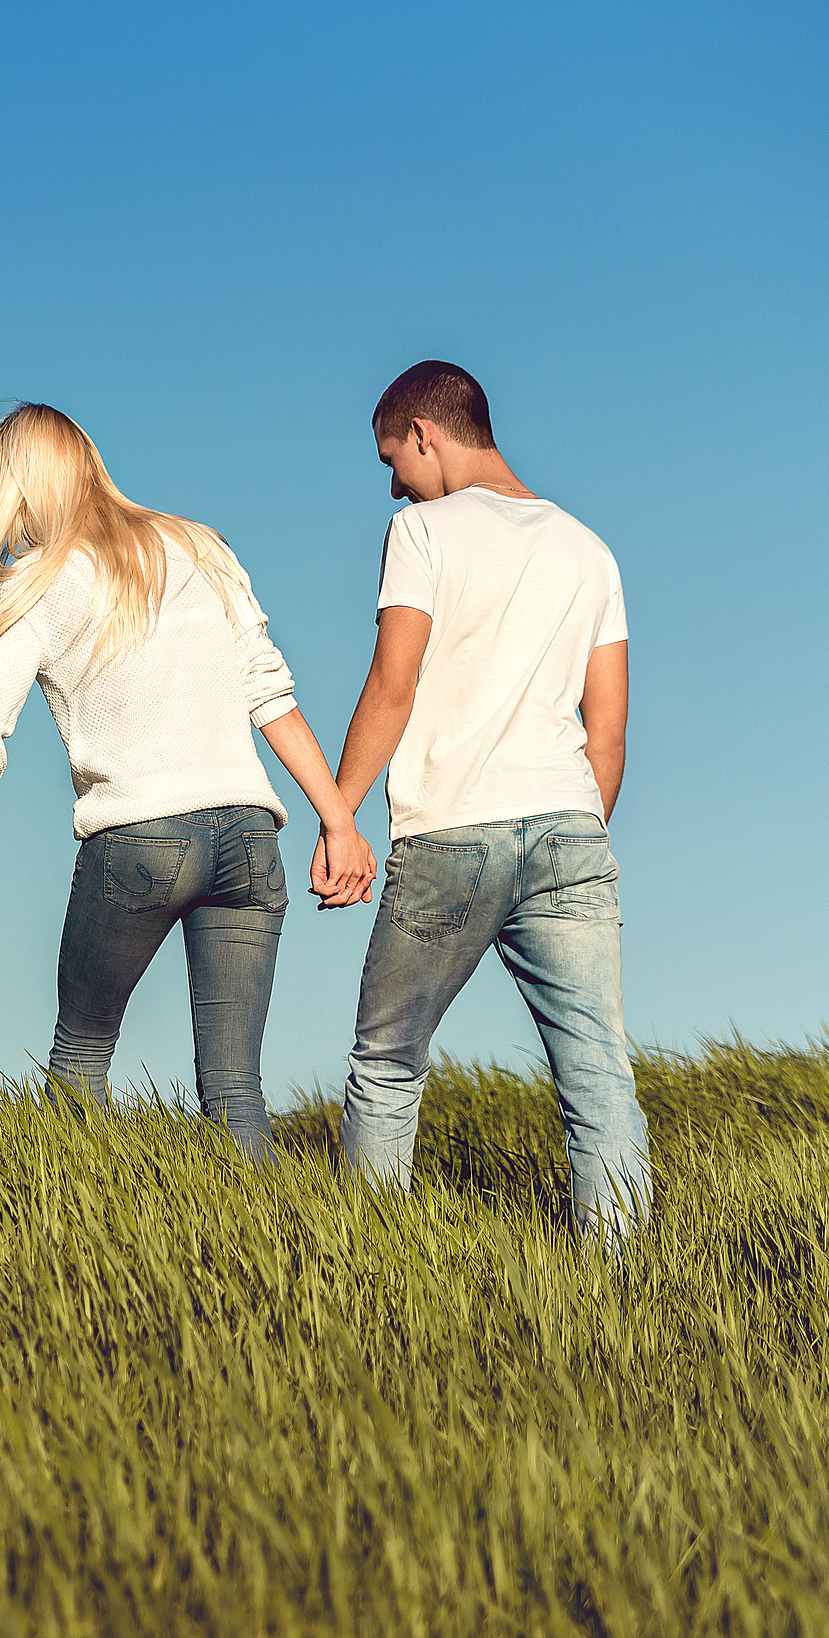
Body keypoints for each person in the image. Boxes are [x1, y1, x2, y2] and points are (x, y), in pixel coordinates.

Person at [0, 403, 375, 1160]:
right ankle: (280, 1262)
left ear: (19, 491)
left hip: (140, 839)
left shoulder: (35, 582)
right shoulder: (199, 547)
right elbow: (270, 693)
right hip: (248, 836)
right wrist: (340, 820)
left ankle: (67, 1243)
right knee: (236, 1091)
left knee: (78, 1062)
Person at [319, 360, 652, 1239]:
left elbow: (395, 680)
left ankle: (368, 1272)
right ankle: (621, 1280)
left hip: (449, 836)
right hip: (572, 828)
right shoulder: (590, 550)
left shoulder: (425, 535)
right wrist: (570, 837)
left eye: (395, 459)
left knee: (387, 1063)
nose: (396, 486)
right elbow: (607, 733)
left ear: (425, 433)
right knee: (597, 1073)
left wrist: (340, 812)